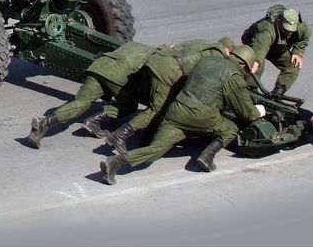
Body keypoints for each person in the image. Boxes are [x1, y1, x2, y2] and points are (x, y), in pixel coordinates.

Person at [99, 44, 265, 185]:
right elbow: (245, 113)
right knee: (230, 128)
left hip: (176, 111)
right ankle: (207, 157)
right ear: (244, 65)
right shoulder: (233, 76)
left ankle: (115, 162)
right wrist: (258, 111)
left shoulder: (206, 61)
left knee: (155, 150)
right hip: (201, 116)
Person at [103, 37, 234, 154]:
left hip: (157, 60)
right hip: (169, 71)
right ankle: (120, 134)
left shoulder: (202, 42)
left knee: (161, 103)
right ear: (228, 51)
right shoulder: (217, 56)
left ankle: (145, 139)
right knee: (158, 109)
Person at [26, 41, 157, 148]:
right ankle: (94, 120)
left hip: (98, 66)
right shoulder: (159, 58)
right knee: (129, 105)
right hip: (117, 75)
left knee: (80, 102)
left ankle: (44, 122)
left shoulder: (137, 45)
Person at [241, 5, 311, 99]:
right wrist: (257, 61)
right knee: (257, 65)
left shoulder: (299, 25)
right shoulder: (266, 30)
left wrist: (297, 52)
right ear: (279, 21)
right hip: (255, 43)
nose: (290, 33)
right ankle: (248, 90)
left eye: (292, 30)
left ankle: (278, 91)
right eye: (286, 29)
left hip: (277, 47)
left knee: (294, 65)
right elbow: (260, 48)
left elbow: (304, 38)